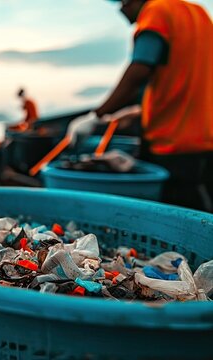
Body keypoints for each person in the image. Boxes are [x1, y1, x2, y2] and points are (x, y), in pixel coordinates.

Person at [68, 0, 212, 211]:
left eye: (123, 3)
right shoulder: (199, 14)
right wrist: (140, 111)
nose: (121, 10)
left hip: (172, 144)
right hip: (205, 140)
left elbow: (140, 69)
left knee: (176, 218)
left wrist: (97, 115)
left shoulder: (157, 11)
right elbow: (187, 82)